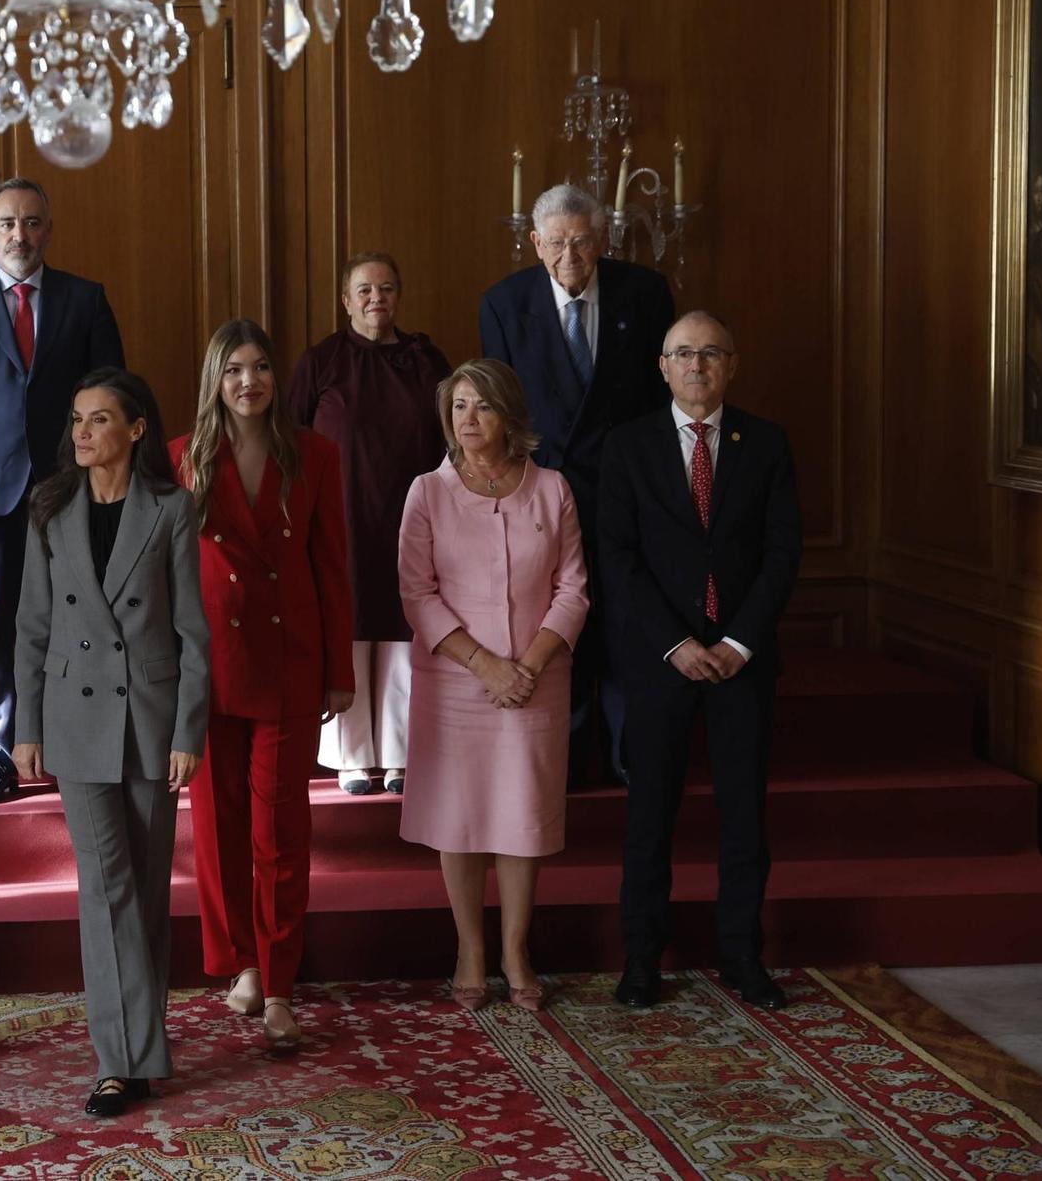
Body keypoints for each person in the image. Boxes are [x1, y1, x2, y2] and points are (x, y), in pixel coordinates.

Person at [14, 367, 209, 1117]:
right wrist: (26, 727)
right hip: (74, 716)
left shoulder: (170, 509)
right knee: (107, 883)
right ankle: (121, 1059)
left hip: (153, 721)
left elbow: (192, 631)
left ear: (135, 430)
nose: (82, 433)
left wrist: (188, 727)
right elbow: (31, 627)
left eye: (99, 420)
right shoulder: (49, 509)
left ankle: (138, 1043)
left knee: (145, 888)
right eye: (76, 419)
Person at [602, 311, 802, 1011]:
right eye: (683, 353)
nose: (696, 365)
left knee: (744, 814)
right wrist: (677, 644)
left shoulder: (767, 443)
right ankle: (641, 960)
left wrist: (738, 643)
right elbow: (617, 559)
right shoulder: (625, 448)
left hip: (742, 661)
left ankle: (745, 957)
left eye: (710, 352)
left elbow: (782, 554)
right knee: (649, 815)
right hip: (662, 662)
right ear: (662, 366)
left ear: (731, 363)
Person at [171, 322, 352, 1051]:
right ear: (216, 378)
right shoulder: (185, 457)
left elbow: (334, 568)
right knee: (217, 829)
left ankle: (279, 980)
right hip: (208, 666)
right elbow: (168, 575)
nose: (250, 381)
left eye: (261, 368)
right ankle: (241, 961)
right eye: (235, 369)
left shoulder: (314, 454)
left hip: (288, 660)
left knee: (280, 827)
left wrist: (340, 669)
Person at [0, 178, 125, 804]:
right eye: (8, 223)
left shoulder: (84, 300)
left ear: (48, 229)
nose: (20, 234)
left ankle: (73, 743)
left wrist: (104, 479)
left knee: (83, 614)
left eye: (32, 222)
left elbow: (113, 395)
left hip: (73, 483)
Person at [397, 359, 588, 1012]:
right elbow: (417, 593)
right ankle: (470, 949)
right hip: (456, 683)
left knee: (521, 817)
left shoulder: (553, 489)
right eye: (458, 407)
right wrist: (485, 665)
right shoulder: (428, 491)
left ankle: (515, 948)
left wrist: (527, 665)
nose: (468, 419)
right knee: (461, 815)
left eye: (481, 406)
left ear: (510, 415)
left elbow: (574, 588)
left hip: (536, 680)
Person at [479, 184, 672, 786]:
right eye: (557, 244)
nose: (571, 257)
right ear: (536, 244)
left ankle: (627, 754)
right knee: (553, 623)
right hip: (544, 493)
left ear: (603, 239)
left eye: (583, 243)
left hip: (625, 488)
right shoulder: (503, 304)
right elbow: (501, 413)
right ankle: (560, 760)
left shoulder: (645, 293)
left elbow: (660, 397)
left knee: (624, 619)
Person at [288, 252, 448, 797]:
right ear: (345, 301)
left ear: (398, 297)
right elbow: (291, 438)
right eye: (364, 290)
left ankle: (402, 754)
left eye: (385, 288)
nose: (375, 298)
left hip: (413, 512)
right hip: (342, 514)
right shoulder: (321, 361)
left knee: (407, 629)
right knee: (350, 626)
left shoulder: (426, 361)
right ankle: (352, 758)